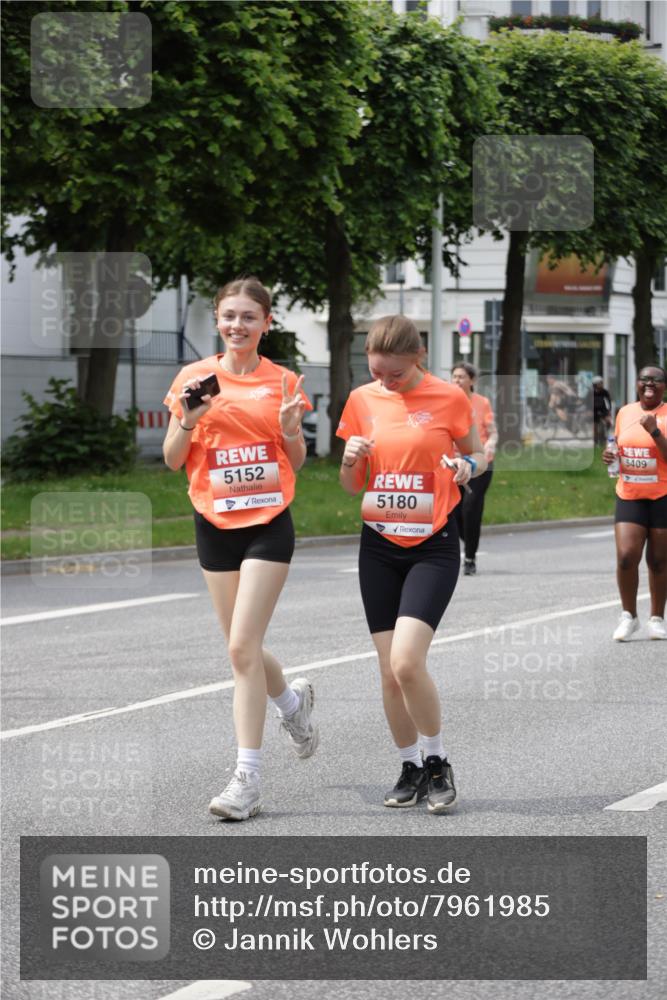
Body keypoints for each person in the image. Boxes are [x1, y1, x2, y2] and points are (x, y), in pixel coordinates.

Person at [162, 276, 319, 821]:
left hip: (268, 524)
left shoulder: (283, 381)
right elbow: (172, 459)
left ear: (266, 323)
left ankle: (246, 780)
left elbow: (296, 460)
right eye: (229, 315)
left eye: (249, 316)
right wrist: (188, 420)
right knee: (241, 646)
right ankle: (292, 705)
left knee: (240, 649)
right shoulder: (194, 379)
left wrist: (291, 431)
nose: (238, 325)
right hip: (213, 522)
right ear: (217, 319)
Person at [337, 315, 487, 813]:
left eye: (395, 374)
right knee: (388, 672)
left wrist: (467, 466)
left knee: (406, 661)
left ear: (418, 357)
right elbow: (350, 485)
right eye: (376, 372)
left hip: (432, 544)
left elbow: (478, 455)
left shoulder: (450, 397)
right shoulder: (362, 401)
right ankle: (410, 767)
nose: (385, 382)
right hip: (378, 544)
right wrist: (349, 458)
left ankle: (438, 761)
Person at [602, 365, 667, 641]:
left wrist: (655, 432)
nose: (649, 384)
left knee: (659, 560)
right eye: (644, 379)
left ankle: (656, 618)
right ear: (637, 383)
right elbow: (618, 445)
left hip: (663, 495)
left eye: (656, 380)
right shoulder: (625, 412)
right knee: (627, 556)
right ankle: (629, 616)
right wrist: (610, 455)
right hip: (629, 493)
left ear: (664, 386)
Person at [451, 362, 498, 575]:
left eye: (461, 377)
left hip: (479, 464)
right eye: (454, 376)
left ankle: (469, 558)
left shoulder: (482, 402)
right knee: (455, 512)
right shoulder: (448, 402)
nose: (457, 380)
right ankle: (469, 538)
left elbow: (492, 431)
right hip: (455, 464)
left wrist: (490, 444)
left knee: (471, 508)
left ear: (472, 380)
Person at [588, 375, 613, 447]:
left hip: (603, 410)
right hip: (594, 411)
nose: (602, 384)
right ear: (595, 384)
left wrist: (609, 412)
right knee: (595, 428)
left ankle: (603, 441)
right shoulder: (591, 392)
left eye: (602, 383)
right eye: (600, 383)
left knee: (606, 424)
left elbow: (609, 402)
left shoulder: (604, 392)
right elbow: (587, 402)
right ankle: (595, 442)